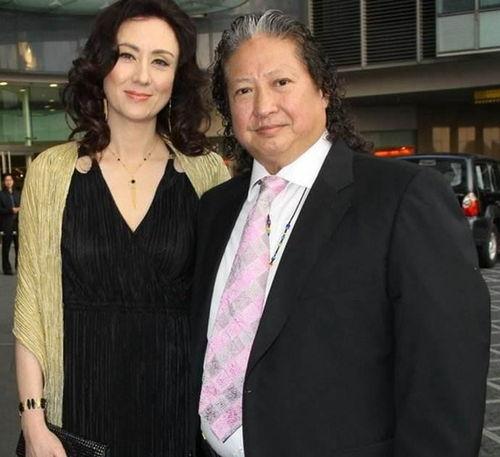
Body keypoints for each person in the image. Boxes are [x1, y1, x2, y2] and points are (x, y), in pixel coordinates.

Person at [189, 10, 491, 457]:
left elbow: (446, 382)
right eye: (243, 90)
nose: (263, 106)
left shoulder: (402, 198)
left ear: (323, 90)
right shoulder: (214, 210)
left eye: (281, 82)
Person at [13, 1, 229, 456]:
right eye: (128, 55)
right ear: (102, 64)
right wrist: (33, 422)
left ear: (177, 77)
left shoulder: (206, 173)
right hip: (77, 414)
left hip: (175, 416)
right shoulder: (51, 173)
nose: (142, 76)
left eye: (161, 61)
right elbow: (31, 308)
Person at [0, 173, 20, 275]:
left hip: (18, 223)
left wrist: (19, 209)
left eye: (10, 180)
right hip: (6, 223)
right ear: (4, 182)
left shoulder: (17, 193)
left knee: (19, 247)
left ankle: (18, 267)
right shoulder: (1, 194)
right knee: (6, 247)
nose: (8, 182)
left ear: (13, 181)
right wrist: (11, 210)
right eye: (6, 180)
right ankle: (7, 269)